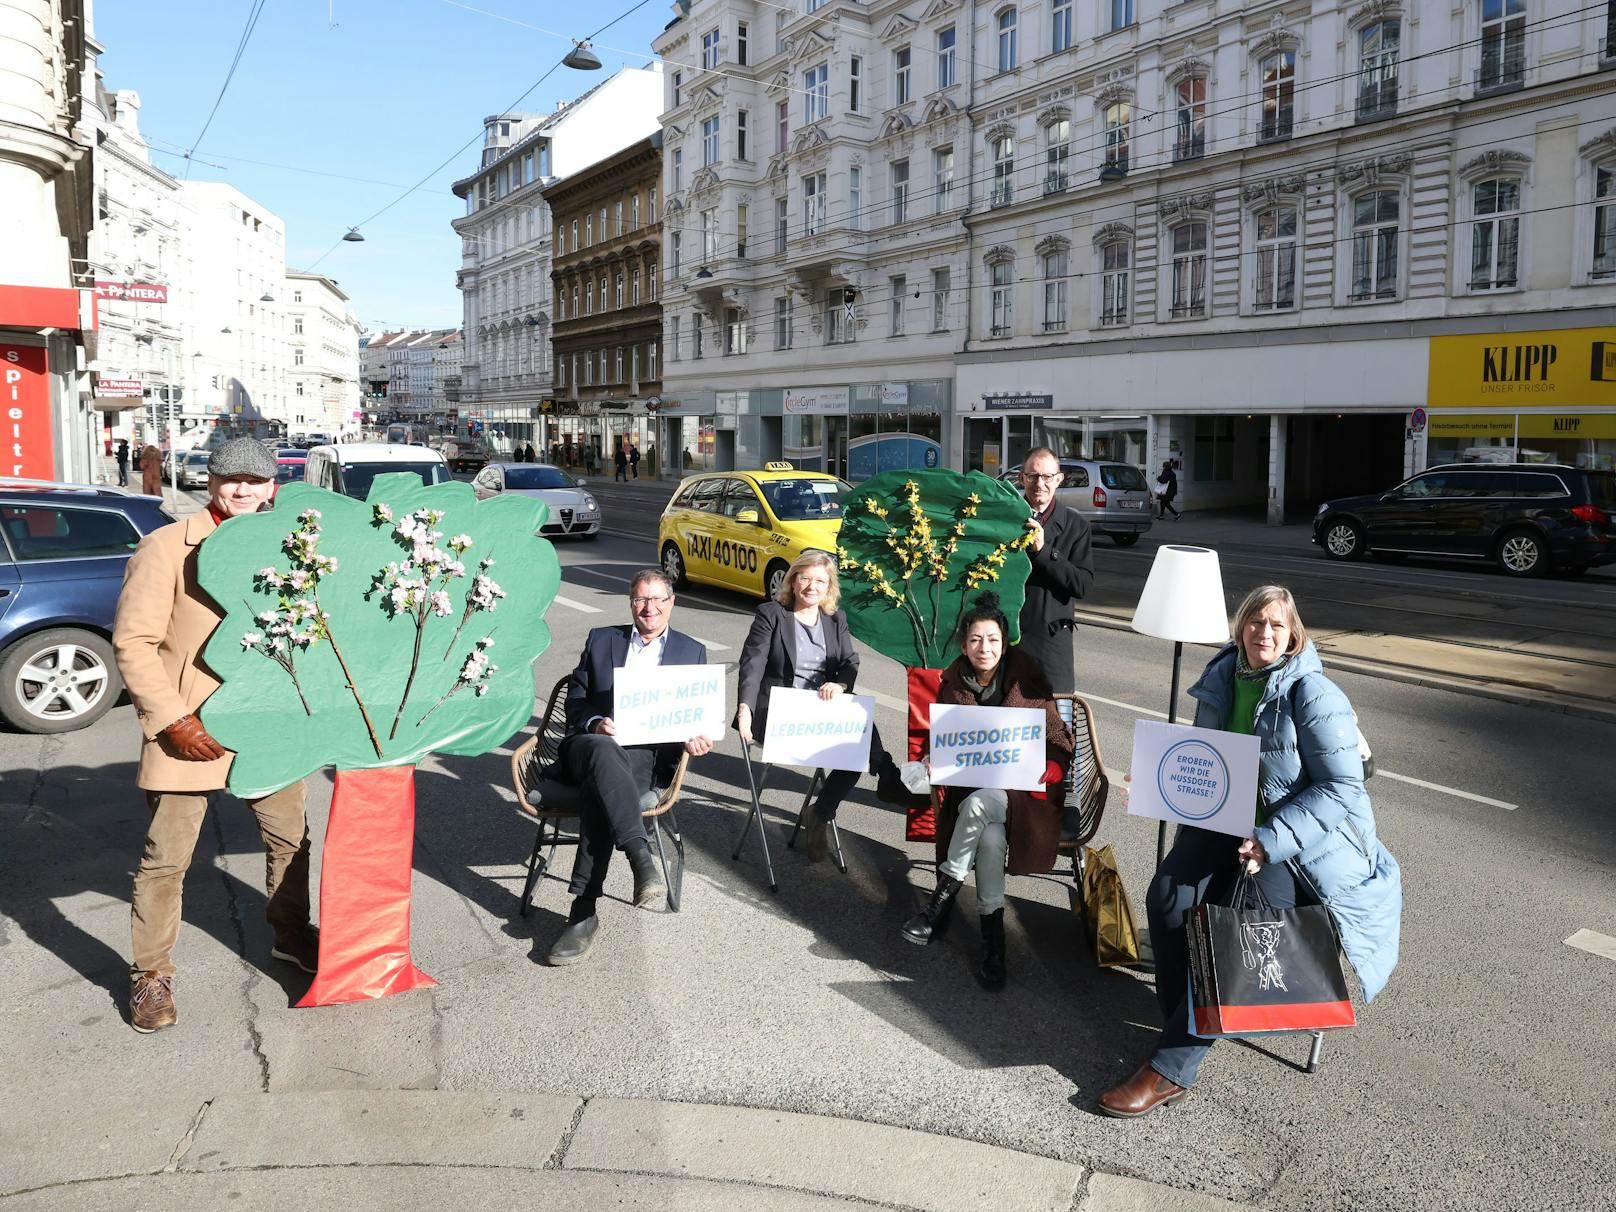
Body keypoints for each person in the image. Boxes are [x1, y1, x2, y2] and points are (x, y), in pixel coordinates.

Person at [1099, 585, 1402, 1118]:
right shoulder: (1221, 677)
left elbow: (1342, 789)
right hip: (1228, 826)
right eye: (1256, 622)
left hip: (1297, 847)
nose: (1265, 633)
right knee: (1168, 895)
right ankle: (1186, 1016)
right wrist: (1156, 784)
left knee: (1238, 930)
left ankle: (1170, 1067)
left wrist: (1271, 840)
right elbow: (1207, 762)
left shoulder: (1313, 693)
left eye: (1277, 626)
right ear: (1240, 627)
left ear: (1293, 635)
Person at [112, 438, 318, 1034]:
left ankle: (289, 935)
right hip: (190, 728)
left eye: (256, 480)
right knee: (166, 860)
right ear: (211, 482)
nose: (243, 489)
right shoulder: (165, 548)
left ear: (271, 485)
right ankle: (149, 976)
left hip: (266, 722)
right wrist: (173, 718)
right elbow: (135, 643)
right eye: (232, 479)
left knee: (291, 841)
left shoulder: (290, 544)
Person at [900, 593, 1073, 990]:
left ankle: (940, 902)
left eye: (992, 639)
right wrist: (931, 759)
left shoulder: (1026, 677)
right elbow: (941, 739)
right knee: (990, 838)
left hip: (1022, 798)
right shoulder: (952, 683)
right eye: (976, 640)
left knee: (981, 805)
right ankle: (994, 944)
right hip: (972, 794)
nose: (985, 648)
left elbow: (1059, 736)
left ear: (1005, 641)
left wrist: (1055, 764)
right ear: (964, 644)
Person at [547, 570, 714, 965]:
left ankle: (584, 910)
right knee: (603, 754)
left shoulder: (691, 651)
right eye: (641, 599)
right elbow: (577, 702)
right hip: (589, 745)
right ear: (630, 603)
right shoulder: (603, 639)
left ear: (672, 602)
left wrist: (697, 737)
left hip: (643, 757)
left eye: (658, 599)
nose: (649, 608)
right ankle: (640, 856)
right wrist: (595, 723)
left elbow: (696, 716)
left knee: (604, 788)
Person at [735, 551, 907, 862]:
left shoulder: (835, 619)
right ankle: (890, 778)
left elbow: (849, 662)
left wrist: (840, 685)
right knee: (862, 746)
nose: (811, 586)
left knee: (858, 741)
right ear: (793, 580)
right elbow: (753, 664)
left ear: (829, 587)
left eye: (820, 581)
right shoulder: (771, 614)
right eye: (805, 578)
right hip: (783, 713)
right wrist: (744, 710)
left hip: (822, 709)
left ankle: (821, 812)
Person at [1015, 447, 1093, 695]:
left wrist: (1043, 551)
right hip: (1005, 645)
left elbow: (1081, 584)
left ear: (1059, 479)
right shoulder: (1004, 519)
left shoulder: (1076, 526)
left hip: (1050, 649)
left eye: (1047, 477)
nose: (1040, 484)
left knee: (1056, 728)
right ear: (1021, 478)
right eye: (1033, 476)